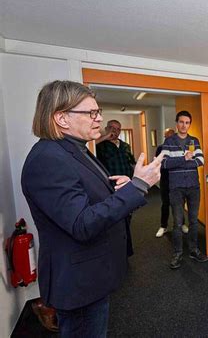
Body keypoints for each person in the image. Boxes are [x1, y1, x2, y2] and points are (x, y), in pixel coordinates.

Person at [21, 80, 162, 337]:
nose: (99, 119)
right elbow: (82, 224)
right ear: (61, 118)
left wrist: (121, 188)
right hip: (79, 281)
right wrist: (139, 186)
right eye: (91, 113)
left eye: (98, 112)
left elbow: (87, 199)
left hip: (93, 273)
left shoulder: (76, 150)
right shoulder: (48, 159)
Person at [161, 110, 208, 269]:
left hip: (193, 187)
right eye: (181, 122)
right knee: (178, 222)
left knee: (193, 221)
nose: (184, 125)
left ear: (189, 124)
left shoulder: (194, 141)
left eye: (187, 122)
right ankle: (177, 253)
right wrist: (185, 158)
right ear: (177, 123)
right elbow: (165, 164)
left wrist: (179, 162)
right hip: (176, 188)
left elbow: (201, 161)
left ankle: (194, 250)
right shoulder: (169, 142)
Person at [96, 119, 137, 256]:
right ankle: (115, 249)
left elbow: (132, 163)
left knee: (127, 216)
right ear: (107, 128)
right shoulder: (100, 145)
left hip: (127, 185)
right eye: (112, 128)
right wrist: (105, 137)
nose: (115, 131)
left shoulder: (125, 146)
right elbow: (88, 149)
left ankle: (125, 247)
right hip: (110, 187)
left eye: (118, 129)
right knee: (114, 218)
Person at [155, 128, 189, 237]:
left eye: (170, 136)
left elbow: (184, 163)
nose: (168, 138)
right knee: (165, 204)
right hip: (165, 180)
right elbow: (159, 164)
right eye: (166, 136)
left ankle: (182, 224)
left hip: (178, 180)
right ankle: (163, 226)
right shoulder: (160, 148)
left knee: (179, 204)